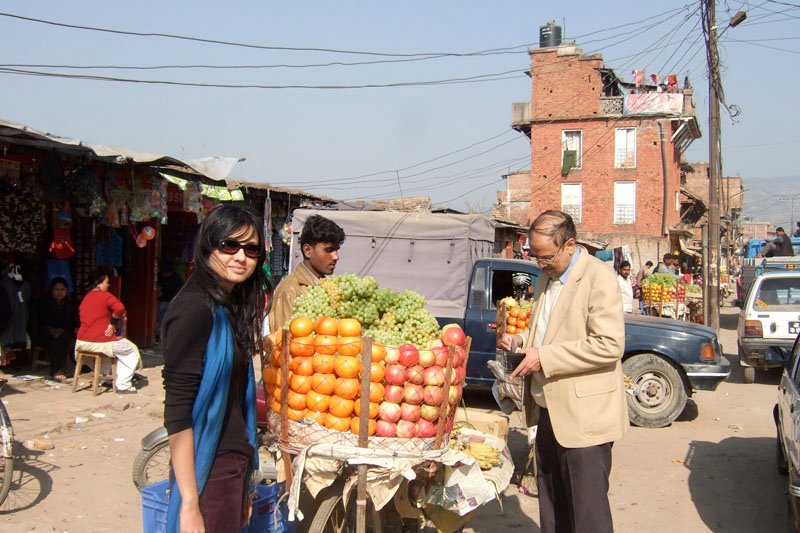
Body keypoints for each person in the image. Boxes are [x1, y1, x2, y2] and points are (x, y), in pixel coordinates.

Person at [501, 210, 627, 533]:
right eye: (535, 256)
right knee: (553, 508)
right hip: (548, 414)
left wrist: (544, 357)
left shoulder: (599, 279)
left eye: (545, 256)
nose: (540, 264)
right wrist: (521, 342)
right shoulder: (545, 279)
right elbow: (546, 333)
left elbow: (609, 345)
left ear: (569, 244)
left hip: (585, 419)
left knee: (588, 516)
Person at [162, 205, 267, 532]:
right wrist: (191, 505)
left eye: (251, 249)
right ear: (208, 246)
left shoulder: (225, 307)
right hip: (210, 469)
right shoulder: (196, 309)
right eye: (229, 246)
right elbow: (177, 414)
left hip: (230, 465)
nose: (241, 257)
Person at [268, 214, 345, 332]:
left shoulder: (325, 286)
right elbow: (283, 343)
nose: (336, 257)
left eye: (336, 250)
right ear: (308, 250)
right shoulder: (290, 291)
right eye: (328, 250)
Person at [75, 270, 142, 393]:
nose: (109, 285)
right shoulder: (105, 296)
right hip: (102, 341)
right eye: (107, 282)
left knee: (114, 352)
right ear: (99, 284)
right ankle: (123, 384)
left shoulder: (86, 297)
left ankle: (107, 378)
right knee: (131, 351)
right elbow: (120, 308)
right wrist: (112, 323)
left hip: (81, 342)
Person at [28, 277, 80, 380]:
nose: (60, 292)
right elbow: (52, 321)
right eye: (57, 289)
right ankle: (56, 369)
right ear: (51, 290)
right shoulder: (43, 302)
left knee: (71, 336)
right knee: (60, 338)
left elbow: (72, 319)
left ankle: (76, 365)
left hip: (63, 332)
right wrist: (69, 328)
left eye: (63, 289)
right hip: (42, 332)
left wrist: (75, 328)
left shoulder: (68, 303)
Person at [156, 258, 184, 334]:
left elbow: (178, 296)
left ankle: (162, 329)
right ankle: (157, 328)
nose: (164, 274)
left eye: (166, 273)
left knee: (162, 307)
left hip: (170, 301)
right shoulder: (160, 276)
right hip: (160, 298)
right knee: (155, 305)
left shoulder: (177, 280)